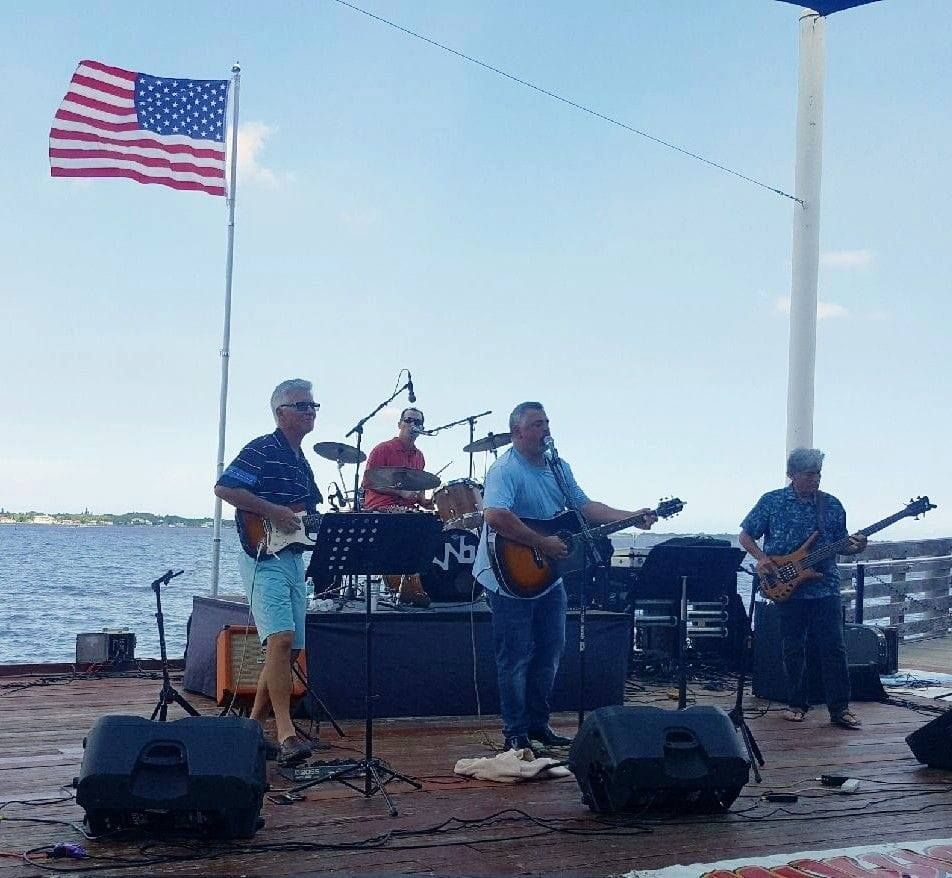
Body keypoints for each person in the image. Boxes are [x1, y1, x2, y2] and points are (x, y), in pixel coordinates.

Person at [472, 401, 657, 754]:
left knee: (550, 651)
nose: (545, 430)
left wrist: (632, 515)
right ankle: (515, 732)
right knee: (515, 656)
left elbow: (586, 507)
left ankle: (538, 725)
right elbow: (495, 515)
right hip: (507, 575)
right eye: (537, 424)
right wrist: (541, 541)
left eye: (547, 423)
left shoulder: (559, 467)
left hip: (548, 575)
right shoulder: (504, 469)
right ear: (517, 432)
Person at [214, 378, 322, 766]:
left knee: (288, 650)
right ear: (281, 413)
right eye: (303, 405)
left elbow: (307, 514)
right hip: (263, 556)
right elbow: (224, 488)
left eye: (313, 406)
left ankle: (252, 727)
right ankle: (286, 731)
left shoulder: (301, 461)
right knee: (280, 640)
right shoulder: (261, 449)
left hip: (293, 558)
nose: (311, 411)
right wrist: (271, 510)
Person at [739, 447, 867, 730]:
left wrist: (856, 547)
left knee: (833, 647)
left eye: (818, 474)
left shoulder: (831, 505)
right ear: (792, 475)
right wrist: (762, 559)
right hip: (785, 585)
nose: (816, 479)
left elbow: (842, 545)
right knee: (793, 647)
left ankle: (840, 709)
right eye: (810, 474)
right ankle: (796, 704)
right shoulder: (772, 502)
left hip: (825, 587)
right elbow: (746, 535)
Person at [362, 406, 434, 607]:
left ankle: (411, 585)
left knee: (429, 525)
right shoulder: (382, 449)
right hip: (381, 506)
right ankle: (401, 587)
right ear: (399, 424)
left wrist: (424, 501)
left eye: (417, 422)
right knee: (403, 525)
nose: (413, 425)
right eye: (409, 420)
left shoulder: (419, 456)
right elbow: (368, 483)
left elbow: (417, 492)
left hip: (407, 510)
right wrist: (400, 493)